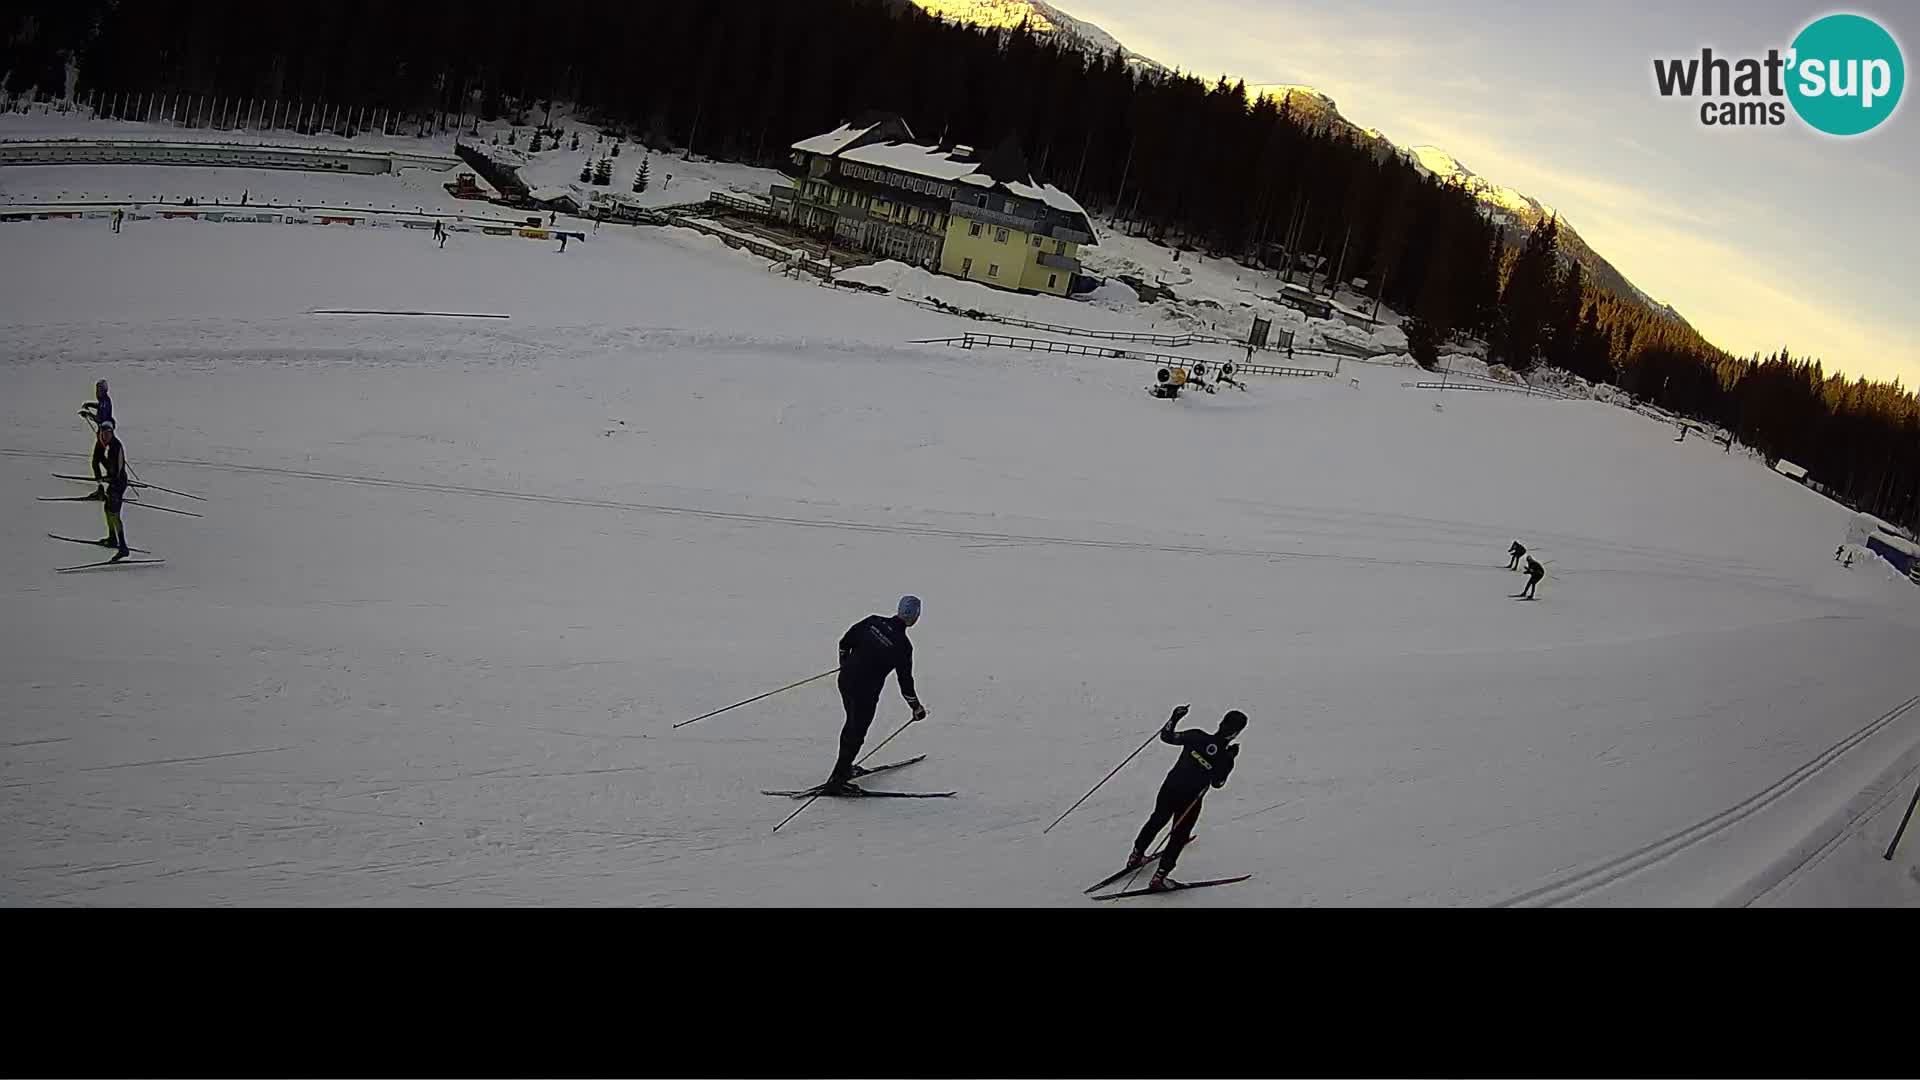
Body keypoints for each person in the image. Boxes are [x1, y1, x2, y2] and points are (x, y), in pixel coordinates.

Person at [1127, 705, 1245, 891]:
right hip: (1190, 799)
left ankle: (1136, 855)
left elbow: (1167, 736)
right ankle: (1160, 877)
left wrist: (1174, 717)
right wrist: (1230, 758)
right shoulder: (1225, 757)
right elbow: (1218, 783)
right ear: (1236, 734)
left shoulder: (1196, 736)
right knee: (1179, 835)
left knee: (1157, 819)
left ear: (1221, 723)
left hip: (1170, 787)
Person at [823, 595, 926, 793]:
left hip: (845, 682)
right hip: (865, 693)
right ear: (915, 617)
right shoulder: (903, 646)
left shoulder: (873, 621)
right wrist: (916, 708)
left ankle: (843, 768)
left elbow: (844, 643)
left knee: (851, 724)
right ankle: (837, 781)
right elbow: (905, 683)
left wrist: (844, 665)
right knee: (856, 732)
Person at [91, 420, 132, 560]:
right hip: (113, 483)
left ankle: (123, 547)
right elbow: (97, 459)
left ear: (112, 433)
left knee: (114, 514)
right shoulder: (106, 444)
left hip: (118, 484)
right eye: (103, 433)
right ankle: (112, 538)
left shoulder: (116, 447)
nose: (105, 436)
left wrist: (108, 479)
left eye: (107, 434)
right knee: (107, 509)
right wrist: (101, 479)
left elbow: (118, 471)